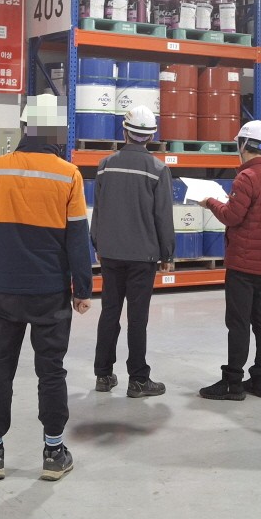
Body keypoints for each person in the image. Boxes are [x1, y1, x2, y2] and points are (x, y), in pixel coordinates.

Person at [0, 94, 93, 482]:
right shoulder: (69, 175)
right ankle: (54, 452)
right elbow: (77, 239)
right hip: (50, 292)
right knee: (51, 371)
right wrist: (82, 289)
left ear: (24, 127)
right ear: (57, 133)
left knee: (0, 369)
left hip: (3, 289)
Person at [198, 120, 261, 401]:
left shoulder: (246, 178)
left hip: (243, 264)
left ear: (243, 145)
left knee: (238, 322)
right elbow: (260, 214)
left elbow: (231, 217)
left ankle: (233, 382)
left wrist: (210, 202)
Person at [91, 105, 174, 398]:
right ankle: (138, 380)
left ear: (124, 131)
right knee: (137, 318)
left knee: (109, 312)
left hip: (110, 252)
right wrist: (167, 254)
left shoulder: (105, 165)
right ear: (151, 136)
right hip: (143, 255)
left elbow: (98, 209)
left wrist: (97, 243)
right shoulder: (158, 169)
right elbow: (163, 216)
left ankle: (103, 375)